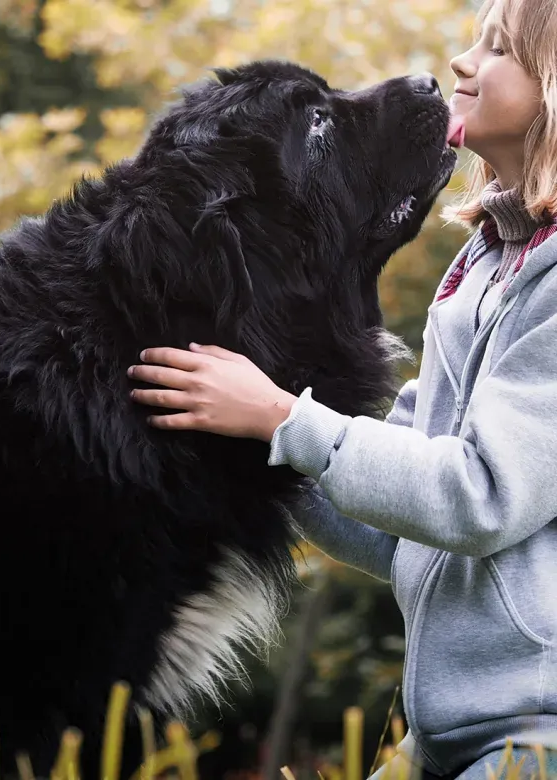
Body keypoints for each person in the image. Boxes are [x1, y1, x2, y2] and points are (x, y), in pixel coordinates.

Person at [125, 0, 557, 777]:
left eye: (498, 50)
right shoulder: (485, 267)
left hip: (537, 733)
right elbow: (396, 525)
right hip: (449, 729)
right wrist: (248, 443)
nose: (462, 62)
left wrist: (287, 419)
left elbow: (481, 496)